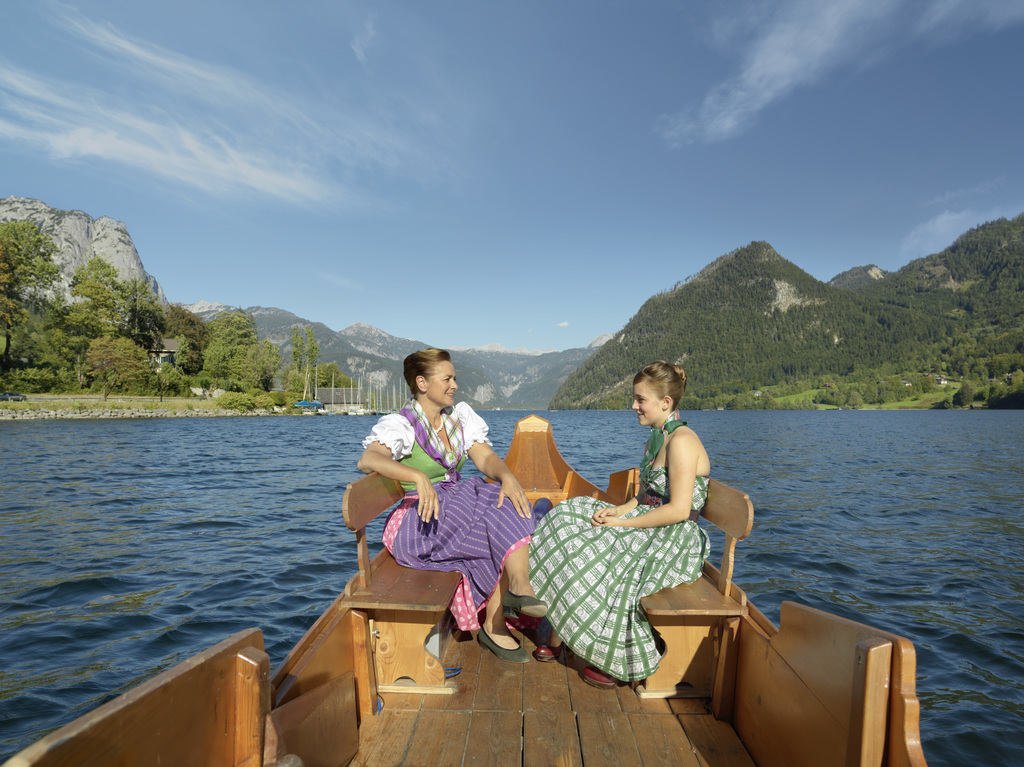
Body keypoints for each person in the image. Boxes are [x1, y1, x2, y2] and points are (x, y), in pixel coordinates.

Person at [528, 361, 711, 688]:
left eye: (640, 400)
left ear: (665, 403)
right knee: (569, 517)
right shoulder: (657, 439)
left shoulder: (682, 441)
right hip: (650, 524)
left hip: (674, 538)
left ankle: (616, 654)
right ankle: (560, 627)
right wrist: (617, 513)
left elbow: (679, 511)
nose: (633, 406)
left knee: (597, 544)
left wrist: (625, 527)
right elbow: (643, 498)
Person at [358, 348, 545, 663]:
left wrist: (507, 476)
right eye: (447, 378)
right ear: (422, 383)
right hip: (416, 522)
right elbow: (368, 460)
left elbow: (483, 457)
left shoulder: (458, 419)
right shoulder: (401, 424)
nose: (454, 385)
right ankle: (497, 621)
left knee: (501, 498)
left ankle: (517, 591)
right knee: (488, 507)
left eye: (454, 378)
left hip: (449, 509)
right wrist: (416, 476)